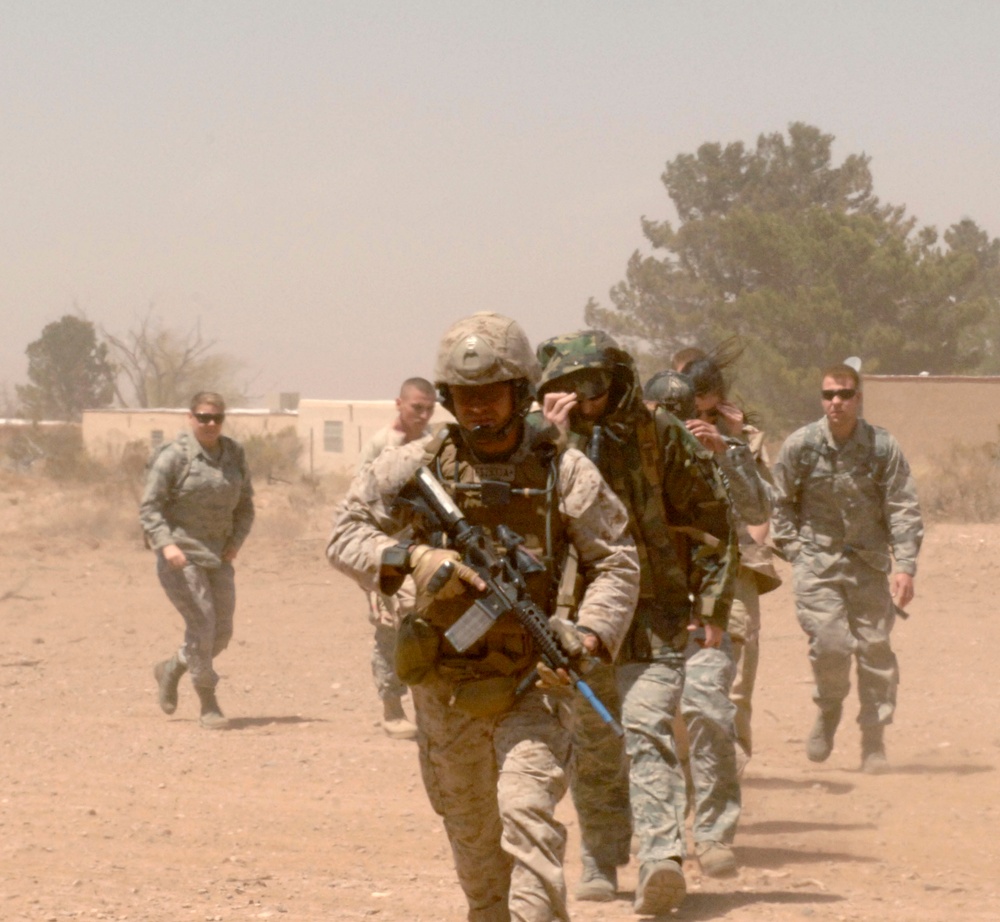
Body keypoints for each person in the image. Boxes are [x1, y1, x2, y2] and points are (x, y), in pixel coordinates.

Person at [327, 312, 639, 922]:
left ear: (520, 391)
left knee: (529, 816)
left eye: (491, 394)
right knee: (475, 850)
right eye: (466, 397)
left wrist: (589, 633)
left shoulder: (562, 469)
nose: (478, 410)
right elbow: (343, 536)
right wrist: (414, 557)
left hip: (533, 681)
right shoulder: (418, 463)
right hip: (446, 686)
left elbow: (616, 562)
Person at [535, 330, 739, 906]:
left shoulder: (658, 433)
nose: (583, 399)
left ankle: (660, 858)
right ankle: (600, 856)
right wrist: (551, 442)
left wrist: (711, 609)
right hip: (578, 619)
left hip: (654, 615)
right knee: (594, 740)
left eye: (593, 385)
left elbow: (714, 521)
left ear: (617, 380)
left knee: (647, 725)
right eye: (568, 388)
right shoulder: (539, 445)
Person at [771, 363, 923, 773]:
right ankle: (830, 707)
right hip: (817, 566)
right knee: (832, 644)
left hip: (868, 564)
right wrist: (796, 552)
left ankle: (873, 740)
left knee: (875, 651)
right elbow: (779, 502)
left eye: (843, 394)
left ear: (858, 398)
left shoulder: (881, 447)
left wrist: (905, 565)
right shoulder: (801, 445)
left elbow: (902, 507)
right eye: (828, 395)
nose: (835, 402)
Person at [675, 352, 782, 765]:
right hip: (679, 569)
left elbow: (762, 507)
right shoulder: (660, 430)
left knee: (734, 684)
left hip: (735, 567)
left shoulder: (744, 438)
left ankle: (731, 770)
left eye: (706, 408)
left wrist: (728, 447)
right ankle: (691, 770)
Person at [141, 391, 255, 730]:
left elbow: (246, 505)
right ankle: (208, 702)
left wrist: (235, 543)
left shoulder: (233, 454)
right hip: (181, 555)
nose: (209, 423)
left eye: (216, 418)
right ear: (190, 417)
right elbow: (150, 507)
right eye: (203, 416)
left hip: (218, 555)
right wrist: (166, 545)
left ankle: (172, 667)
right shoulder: (174, 456)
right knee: (202, 624)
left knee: (221, 633)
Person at [357, 377, 436, 740]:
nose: (422, 414)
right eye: (416, 407)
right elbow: (363, 499)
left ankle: (430, 705)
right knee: (389, 629)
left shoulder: (432, 441)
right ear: (399, 404)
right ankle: (392, 705)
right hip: (387, 550)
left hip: (425, 550)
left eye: (428, 408)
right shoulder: (380, 444)